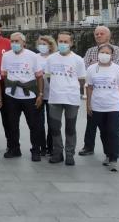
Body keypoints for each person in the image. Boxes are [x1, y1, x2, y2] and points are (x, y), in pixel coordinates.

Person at [86, 43, 119, 171]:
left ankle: (113, 158)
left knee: (113, 131)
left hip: (115, 105)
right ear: (98, 53)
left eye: (107, 53)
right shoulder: (91, 69)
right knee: (104, 132)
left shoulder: (117, 69)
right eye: (102, 52)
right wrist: (88, 104)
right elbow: (89, 88)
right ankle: (108, 154)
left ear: (112, 55)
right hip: (98, 106)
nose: (104, 55)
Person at [79, 26, 119, 157]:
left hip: (110, 94)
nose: (98, 35)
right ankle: (88, 146)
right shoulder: (90, 50)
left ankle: (110, 151)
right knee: (91, 122)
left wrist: (96, 65)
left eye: (101, 33)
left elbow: (114, 65)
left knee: (108, 127)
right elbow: (85, 68)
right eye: (96, 34)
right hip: (93, 90)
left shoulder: (116, 50)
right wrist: (95, 67)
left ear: (108, 36)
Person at [1, 32, 44, 161]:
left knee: (34, 125)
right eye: (12, 41)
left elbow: (39, 76)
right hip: (12, 95)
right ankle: (14, 148)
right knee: (12, 124)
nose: (14, 44)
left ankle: (36, 150)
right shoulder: (6, 56)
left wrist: (40, 94)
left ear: (23, 43)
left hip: (29, 95)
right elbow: (4, 74)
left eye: (17, 41)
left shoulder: (32, 56)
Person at [45, 32, 86, 166]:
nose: (62, 44)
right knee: (55, 127)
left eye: (65, 42)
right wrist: (58, 87)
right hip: (55, 98)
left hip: (72, 99)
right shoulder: (51, 59)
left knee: (70, 127)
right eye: (60, 41)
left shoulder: (78, 60)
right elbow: (49, 77)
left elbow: (81, 80)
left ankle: (69, 154)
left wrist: (71, 89)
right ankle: (57, 153)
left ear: (71, 43)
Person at [36, 35, 58, 156]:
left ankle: (51, 146)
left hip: (52, 95)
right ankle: (41, 147)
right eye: (40, 44)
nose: (42, 46)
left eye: (44, 44)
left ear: (50, 45)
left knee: (52, 123)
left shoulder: (55, 58)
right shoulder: (34, 57)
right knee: (39, 122)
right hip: (38, 94)